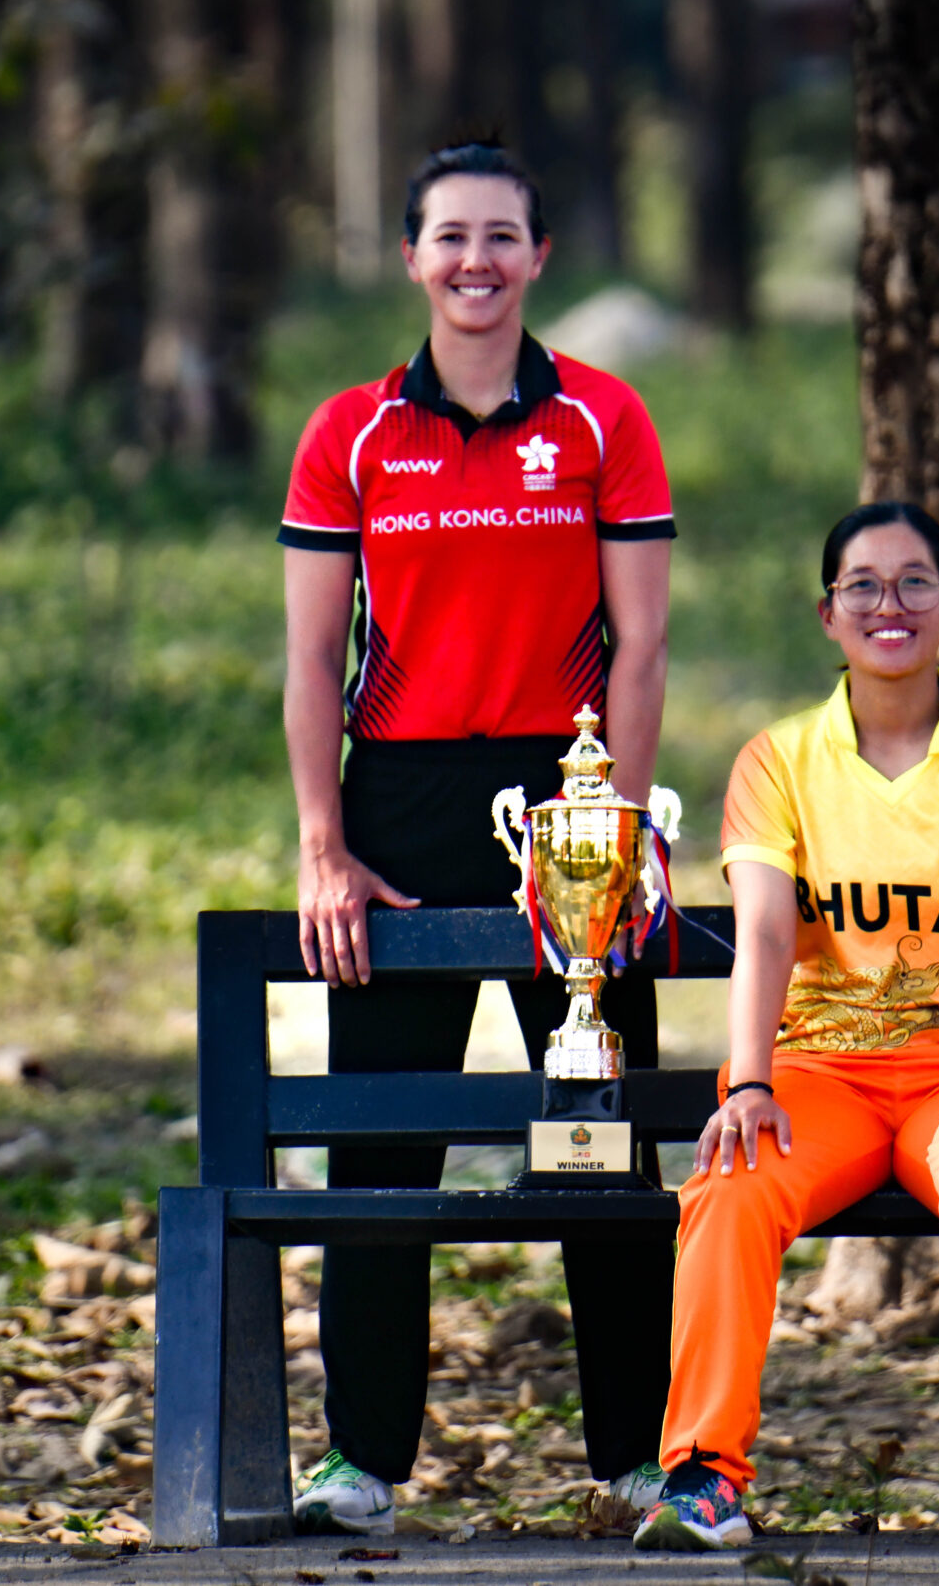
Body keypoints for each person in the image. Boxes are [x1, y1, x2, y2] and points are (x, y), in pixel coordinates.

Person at [278, 139, 678, 1535]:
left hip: (563, 802)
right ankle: (363, 1461)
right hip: (398, 797)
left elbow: (640, 644)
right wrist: (325, 844)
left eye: (502, 236)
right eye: (450, 237)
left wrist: (614, 827)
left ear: (540, 256)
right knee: (383, 1146)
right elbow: (312, 656)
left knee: (598, 1130)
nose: (476, 261)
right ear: (411, 257)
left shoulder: (604, 420)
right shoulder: (351, 435)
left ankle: (639, 1452)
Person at [631, 502, 939, 1555]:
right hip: (823, 1076)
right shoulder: (777, 760)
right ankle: (701, 1478)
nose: (889, 605)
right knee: (729, 1183)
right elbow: (760, 934)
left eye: (913, 584)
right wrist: (746, 1086)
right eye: (863, 586)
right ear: (827, 613)